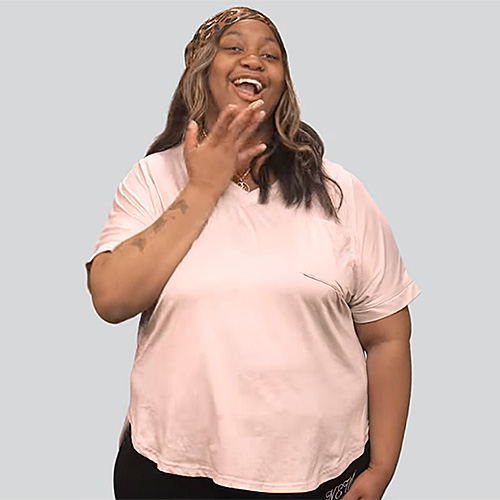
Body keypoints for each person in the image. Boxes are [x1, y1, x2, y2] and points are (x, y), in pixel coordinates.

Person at [86, 6, 420, 500]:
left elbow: (388, 335)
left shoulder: (339, 192)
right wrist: (204, 185)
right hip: (170, 472)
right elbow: (111, 298)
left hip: (316, 475)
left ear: (283, 81)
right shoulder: (153, 180)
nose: (255, 60)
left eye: (271, 54)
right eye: (234, 47)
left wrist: (382, 468)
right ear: (200, 67)